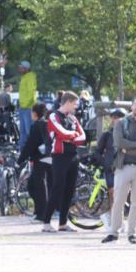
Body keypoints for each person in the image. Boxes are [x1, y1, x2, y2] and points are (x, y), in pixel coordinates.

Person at [103, 97, 136, 244]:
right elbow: (119, 142)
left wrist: (129, 149)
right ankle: (113, 233)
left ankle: (132, 234)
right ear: (131, 107)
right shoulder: (120, 123)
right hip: (123, 167)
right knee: (118, 201)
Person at [41, 92, 86, 232]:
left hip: (73, 156)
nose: (76, 107)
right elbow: (62, 133)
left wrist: (69, 138)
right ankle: (46, 223)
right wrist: (72, 136)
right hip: (59, 157)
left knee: (69, 190)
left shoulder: (73, 118)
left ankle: (63, 223)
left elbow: (83, 137)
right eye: (75, 104)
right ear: (68, 102)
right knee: (57, 188)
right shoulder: (53, 116)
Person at [17, 102, 53, 224]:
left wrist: (20, 160)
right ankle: (39, 212)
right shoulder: (46, 123)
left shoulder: (37, 125)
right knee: (33, 185)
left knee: (39, 186)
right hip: (47, 158)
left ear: (34, 113)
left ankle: (42, 215)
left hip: (40, 159)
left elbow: (30, 145)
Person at [92, 108, 126, 233]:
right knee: (114, 195)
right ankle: (114, 221)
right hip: (111, 169)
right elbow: (97, 152)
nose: (117, 119)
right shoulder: (107, 135)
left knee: (123, 196)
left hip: (125, 167)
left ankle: (118, 220)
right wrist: (106, 163)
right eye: (115, 117)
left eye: (120, 117)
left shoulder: (128, 134)